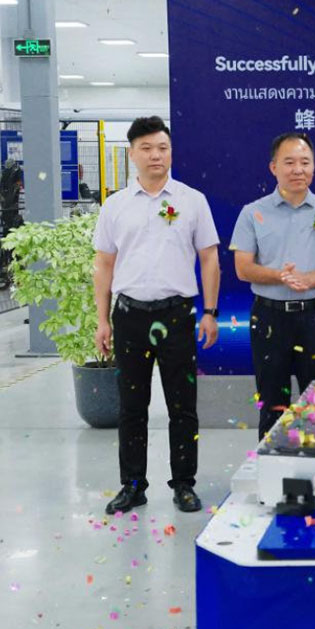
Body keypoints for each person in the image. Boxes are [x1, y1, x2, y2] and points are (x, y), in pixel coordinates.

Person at [93, 116, 221, 515]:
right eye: (146, 148)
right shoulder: (115, 206)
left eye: (162, 148)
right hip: (129, 316)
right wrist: (102, 320)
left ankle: (184, 484)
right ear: (132, 154)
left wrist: (210, 311)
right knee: (132, 408)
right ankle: (133, 485)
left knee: (183, 406)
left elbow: (209, 258)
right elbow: (104, 264)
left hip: (177, 315)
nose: (155, 155)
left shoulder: (192, 200)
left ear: (171, 153)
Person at [231, 133, 315, 440]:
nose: (298, 169)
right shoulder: (252, 212)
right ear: (274, 167)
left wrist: (310, 279)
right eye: (289, 162)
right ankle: (272, 468)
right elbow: (243, 268)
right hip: (269, 318)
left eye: (305, 162)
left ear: (314, 166)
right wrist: (279, 276)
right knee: (272, 401)